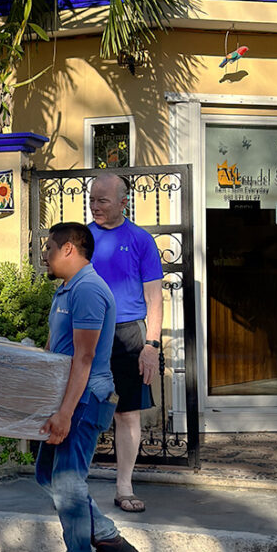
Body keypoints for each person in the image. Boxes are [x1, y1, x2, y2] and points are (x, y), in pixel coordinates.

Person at [32, 222, 139, 552]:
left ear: (69, 250)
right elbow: (57, 348)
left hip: (84, 400)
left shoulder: (90, 290)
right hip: (64, 398)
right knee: (47, 475)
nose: (44, 253)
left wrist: (64, 412)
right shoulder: (66, 289)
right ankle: (110, 541)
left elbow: (86, 356)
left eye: (49, 247)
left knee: (68, 483)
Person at [88, 173, 164, 513]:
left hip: (129, 335)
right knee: (80, 410)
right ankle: (76, 485)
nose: (95, 206)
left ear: (123, 202)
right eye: (92, 199)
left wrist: (152, 345)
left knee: (127, 414)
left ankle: (124, 486)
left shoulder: (141, 240)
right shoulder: (81, 238)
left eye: (102, 200)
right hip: (87, 333)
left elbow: (155, 298)